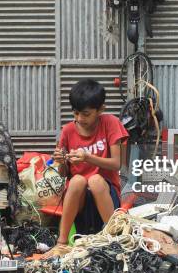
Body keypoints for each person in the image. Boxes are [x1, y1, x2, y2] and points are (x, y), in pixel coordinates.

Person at [48, 78, 128, 254]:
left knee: (96, 180)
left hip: (105, 194)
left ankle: (113, 238)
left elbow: (116, 164)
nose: (79, 119)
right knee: (77, 180)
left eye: (85, 114)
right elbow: (63, 174)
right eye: (75, 113)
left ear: (100, 110)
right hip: (79, 200)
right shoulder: (68, 130)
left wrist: (87, 158)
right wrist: (61, 162)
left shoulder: (111, 123)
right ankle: (61, 242)